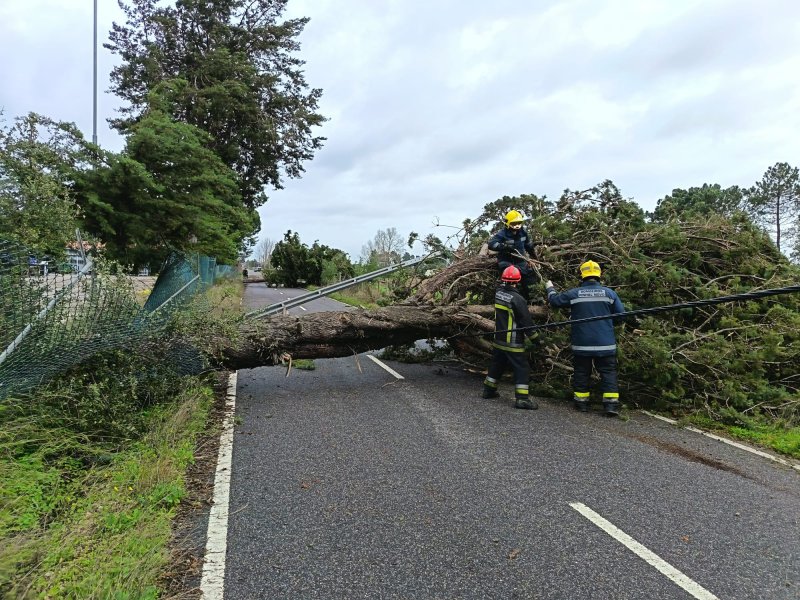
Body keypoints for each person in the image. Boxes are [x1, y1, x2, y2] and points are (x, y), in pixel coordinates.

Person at [545, 260, 625, 416]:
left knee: (582, 372)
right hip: (605, 344)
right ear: (599, 275)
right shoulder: (610, 294)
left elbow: (554, 301)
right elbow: (621, 316)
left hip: (582, 344)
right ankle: (611, 406)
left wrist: (550, 288)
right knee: (608, 373)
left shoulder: (574, 294)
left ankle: (581, 404)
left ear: (582, 276)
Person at [482, 265, 537, 409]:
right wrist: (536, 338)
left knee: (497, 364)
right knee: (522, 368)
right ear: (518, 281)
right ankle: (522, 399)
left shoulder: (498, 293)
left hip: (499, 339)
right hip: (513, 341)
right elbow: (526, 322)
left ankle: (488, 390)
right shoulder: (518, 299)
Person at [487, 210, 538, 302]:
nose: (517, 226)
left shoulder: (523, 232)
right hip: (506, 262)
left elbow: (528, 245)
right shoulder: (502, 234)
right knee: (509, 279)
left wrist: (534, 257)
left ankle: (534, 300)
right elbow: (491, 244)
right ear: (508, 223)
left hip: (521, 261)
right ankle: (506, 301)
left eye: (519, 223)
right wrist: (504, 247)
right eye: (514, 223)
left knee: (530, 275)